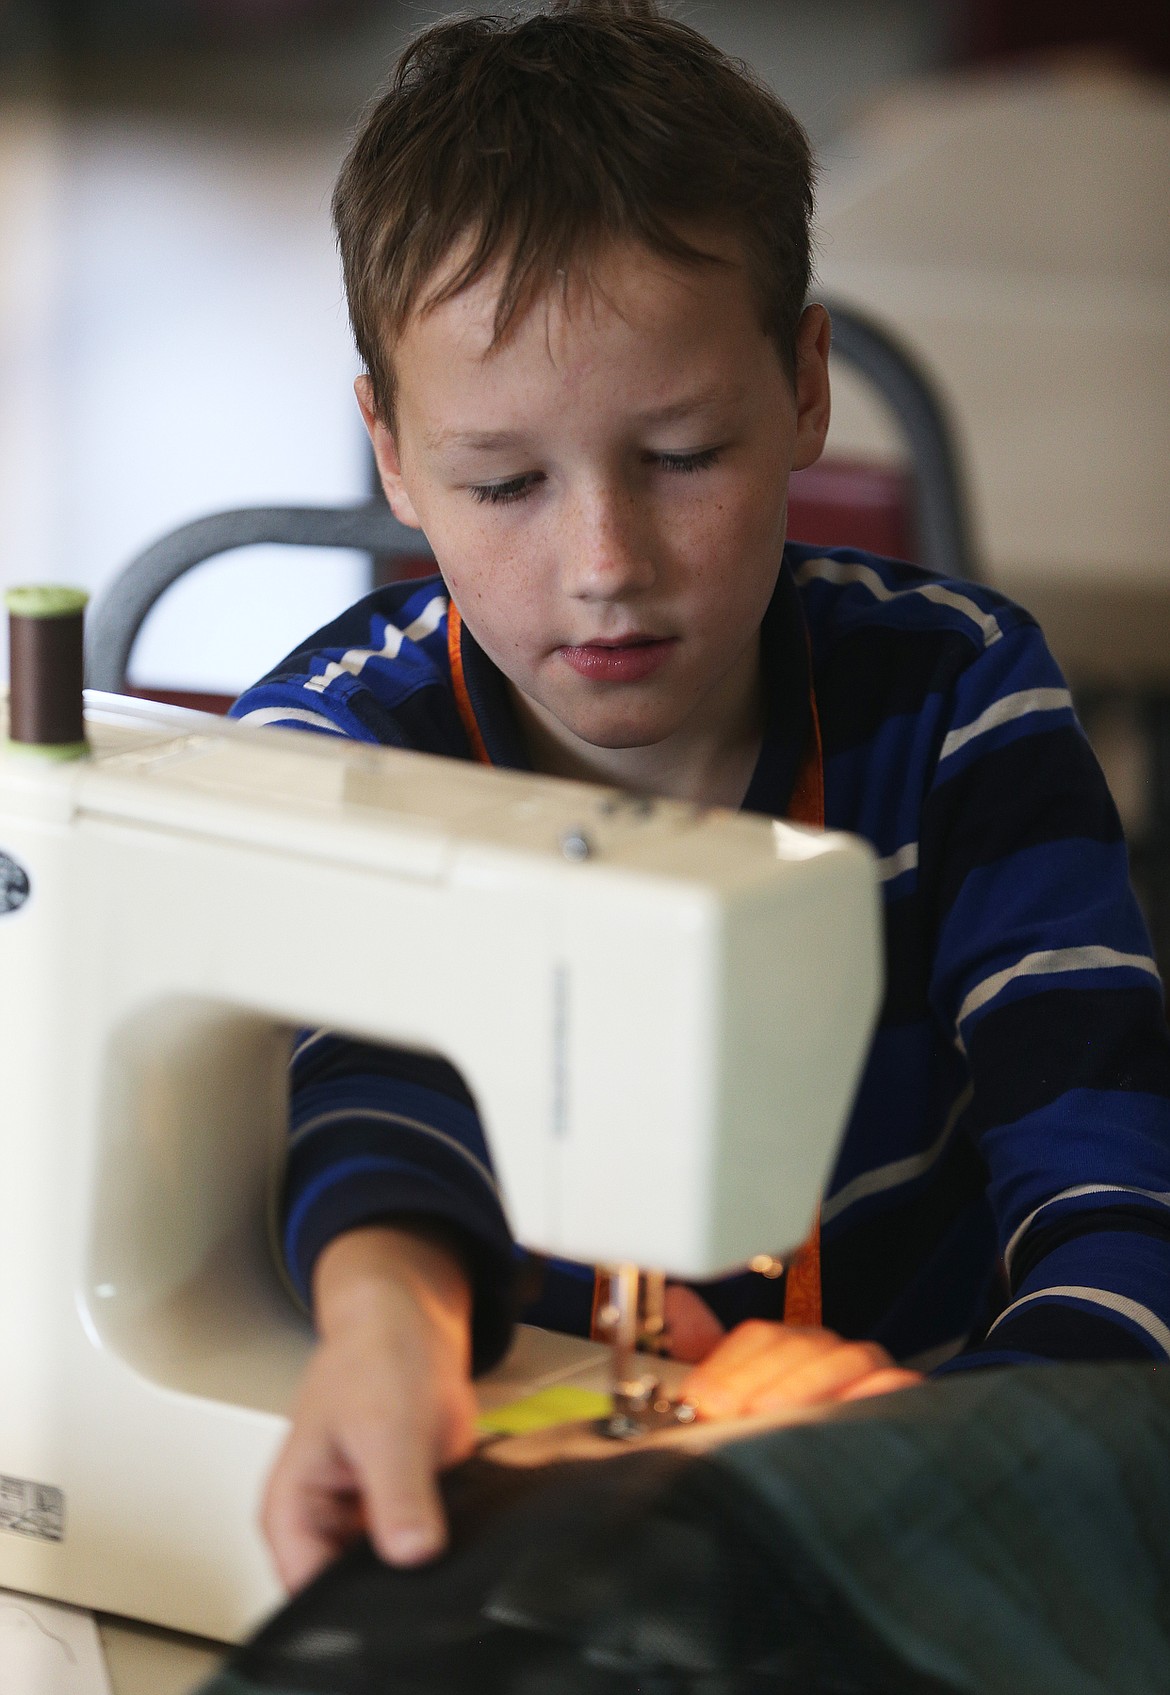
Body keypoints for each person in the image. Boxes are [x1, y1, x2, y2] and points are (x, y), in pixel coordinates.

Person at [230, 0, 1170, 1596]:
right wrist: (389, 1316)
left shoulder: (959, 707)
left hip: (931, 1472)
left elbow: (1108, 1182)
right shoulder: (339, 748)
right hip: (528, 1490)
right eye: (504, 484)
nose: (605, 568)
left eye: (679, 454)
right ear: (390, 455)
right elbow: (374, 1084)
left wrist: (981, 1447)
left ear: (803, 388)